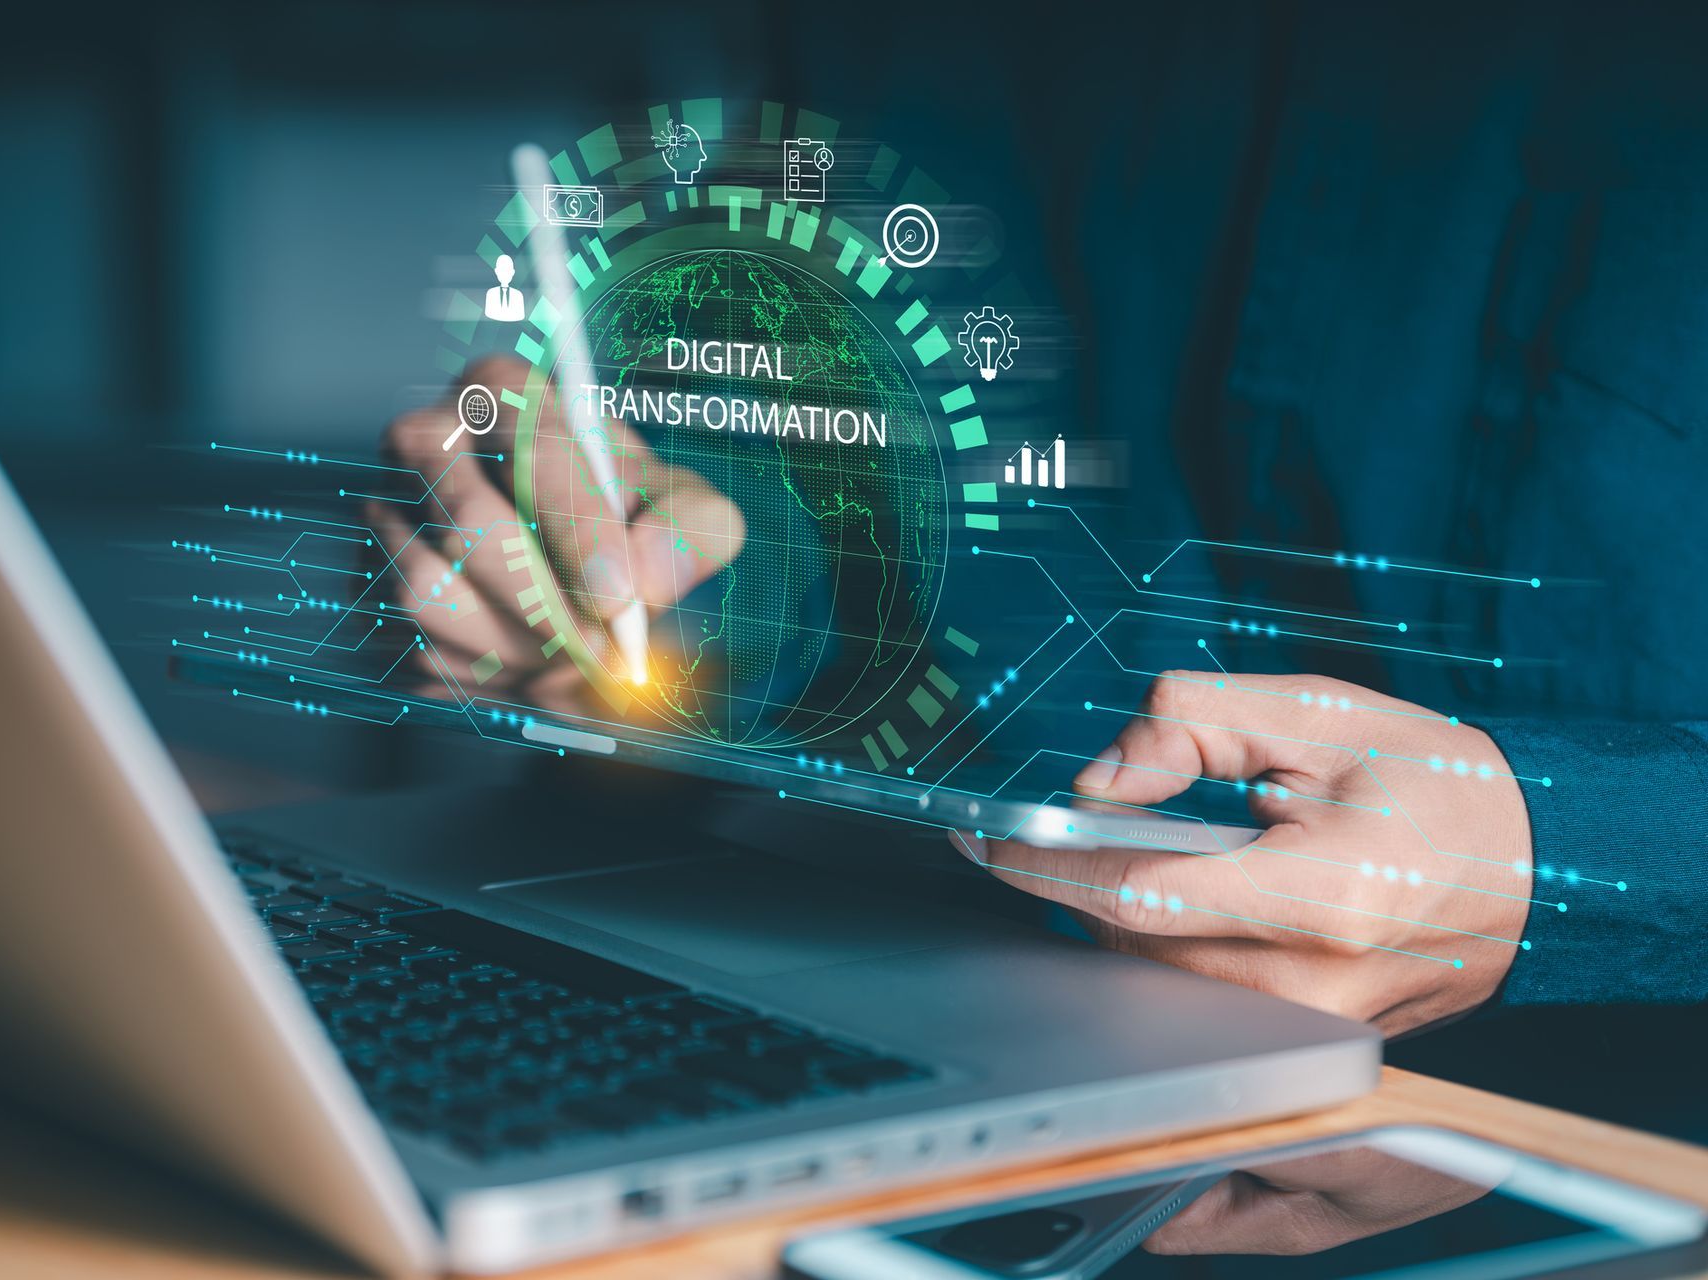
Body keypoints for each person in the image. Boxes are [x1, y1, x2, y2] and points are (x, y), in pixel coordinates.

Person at [379, 3, 1705, 1155]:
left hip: (1615, 1138)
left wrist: (1565, 859)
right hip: (968, 1043)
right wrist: (660, 582)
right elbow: (905, 522)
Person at [482, 254, 524, 323]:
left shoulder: (518, 295)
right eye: (502, 269)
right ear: (496, 271)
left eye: (508, 270)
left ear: (513, 272)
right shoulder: (491, 294)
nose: (505, 273)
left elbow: (520, 316)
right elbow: (489, 314)